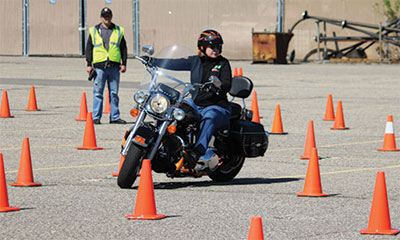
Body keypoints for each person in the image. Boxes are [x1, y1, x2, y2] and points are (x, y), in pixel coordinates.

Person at [148, 30, 232, 169]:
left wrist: (217, 85)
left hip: (217, 106)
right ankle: (166, 143)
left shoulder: (222, 63)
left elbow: (227, 84)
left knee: (210, 116)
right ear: (202, 47)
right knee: (174, 109)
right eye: (212, 47)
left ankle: (197, 152)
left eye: (218, 46)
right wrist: (153, 61)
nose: (216, 50)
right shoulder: (195, 61)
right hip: (196, 102)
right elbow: (174, 63)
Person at [85, 7, 127, 124]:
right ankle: (96, 117)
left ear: (111, 17)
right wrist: (89, 64)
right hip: (99, 67)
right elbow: (89, 48)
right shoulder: (94, 30)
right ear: (101, 17)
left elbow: (123, 48)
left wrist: (124, 63)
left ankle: (114, 117)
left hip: (114, 67)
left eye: (108, 16)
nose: (107, 18)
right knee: (98, 93)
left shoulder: (118, 30)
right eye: (105, 16)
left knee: (114, 93)